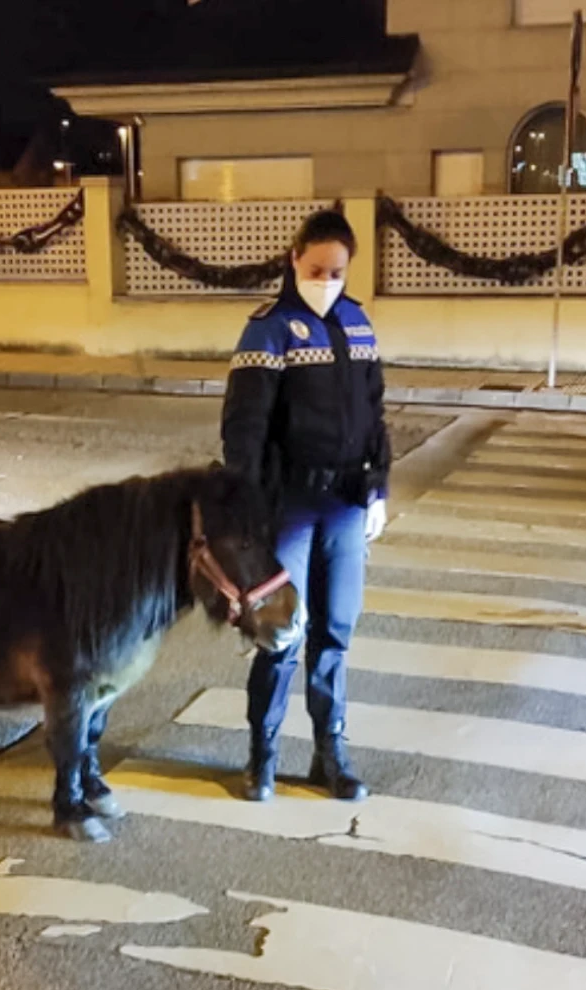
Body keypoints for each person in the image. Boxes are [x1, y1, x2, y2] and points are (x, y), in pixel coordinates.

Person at [221, 209, 390, 804]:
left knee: (336, 631)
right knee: (281, 633)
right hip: (286, 506)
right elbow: (243, 431)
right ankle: (261, 755)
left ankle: (330, 752)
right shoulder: (268, 330)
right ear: (294, 259)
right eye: (316, 268)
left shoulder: (357, 323)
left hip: (344, 504)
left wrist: (380, 488)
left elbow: (374, 416)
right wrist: (245, 510)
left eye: (337, 270)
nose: (327, 279)